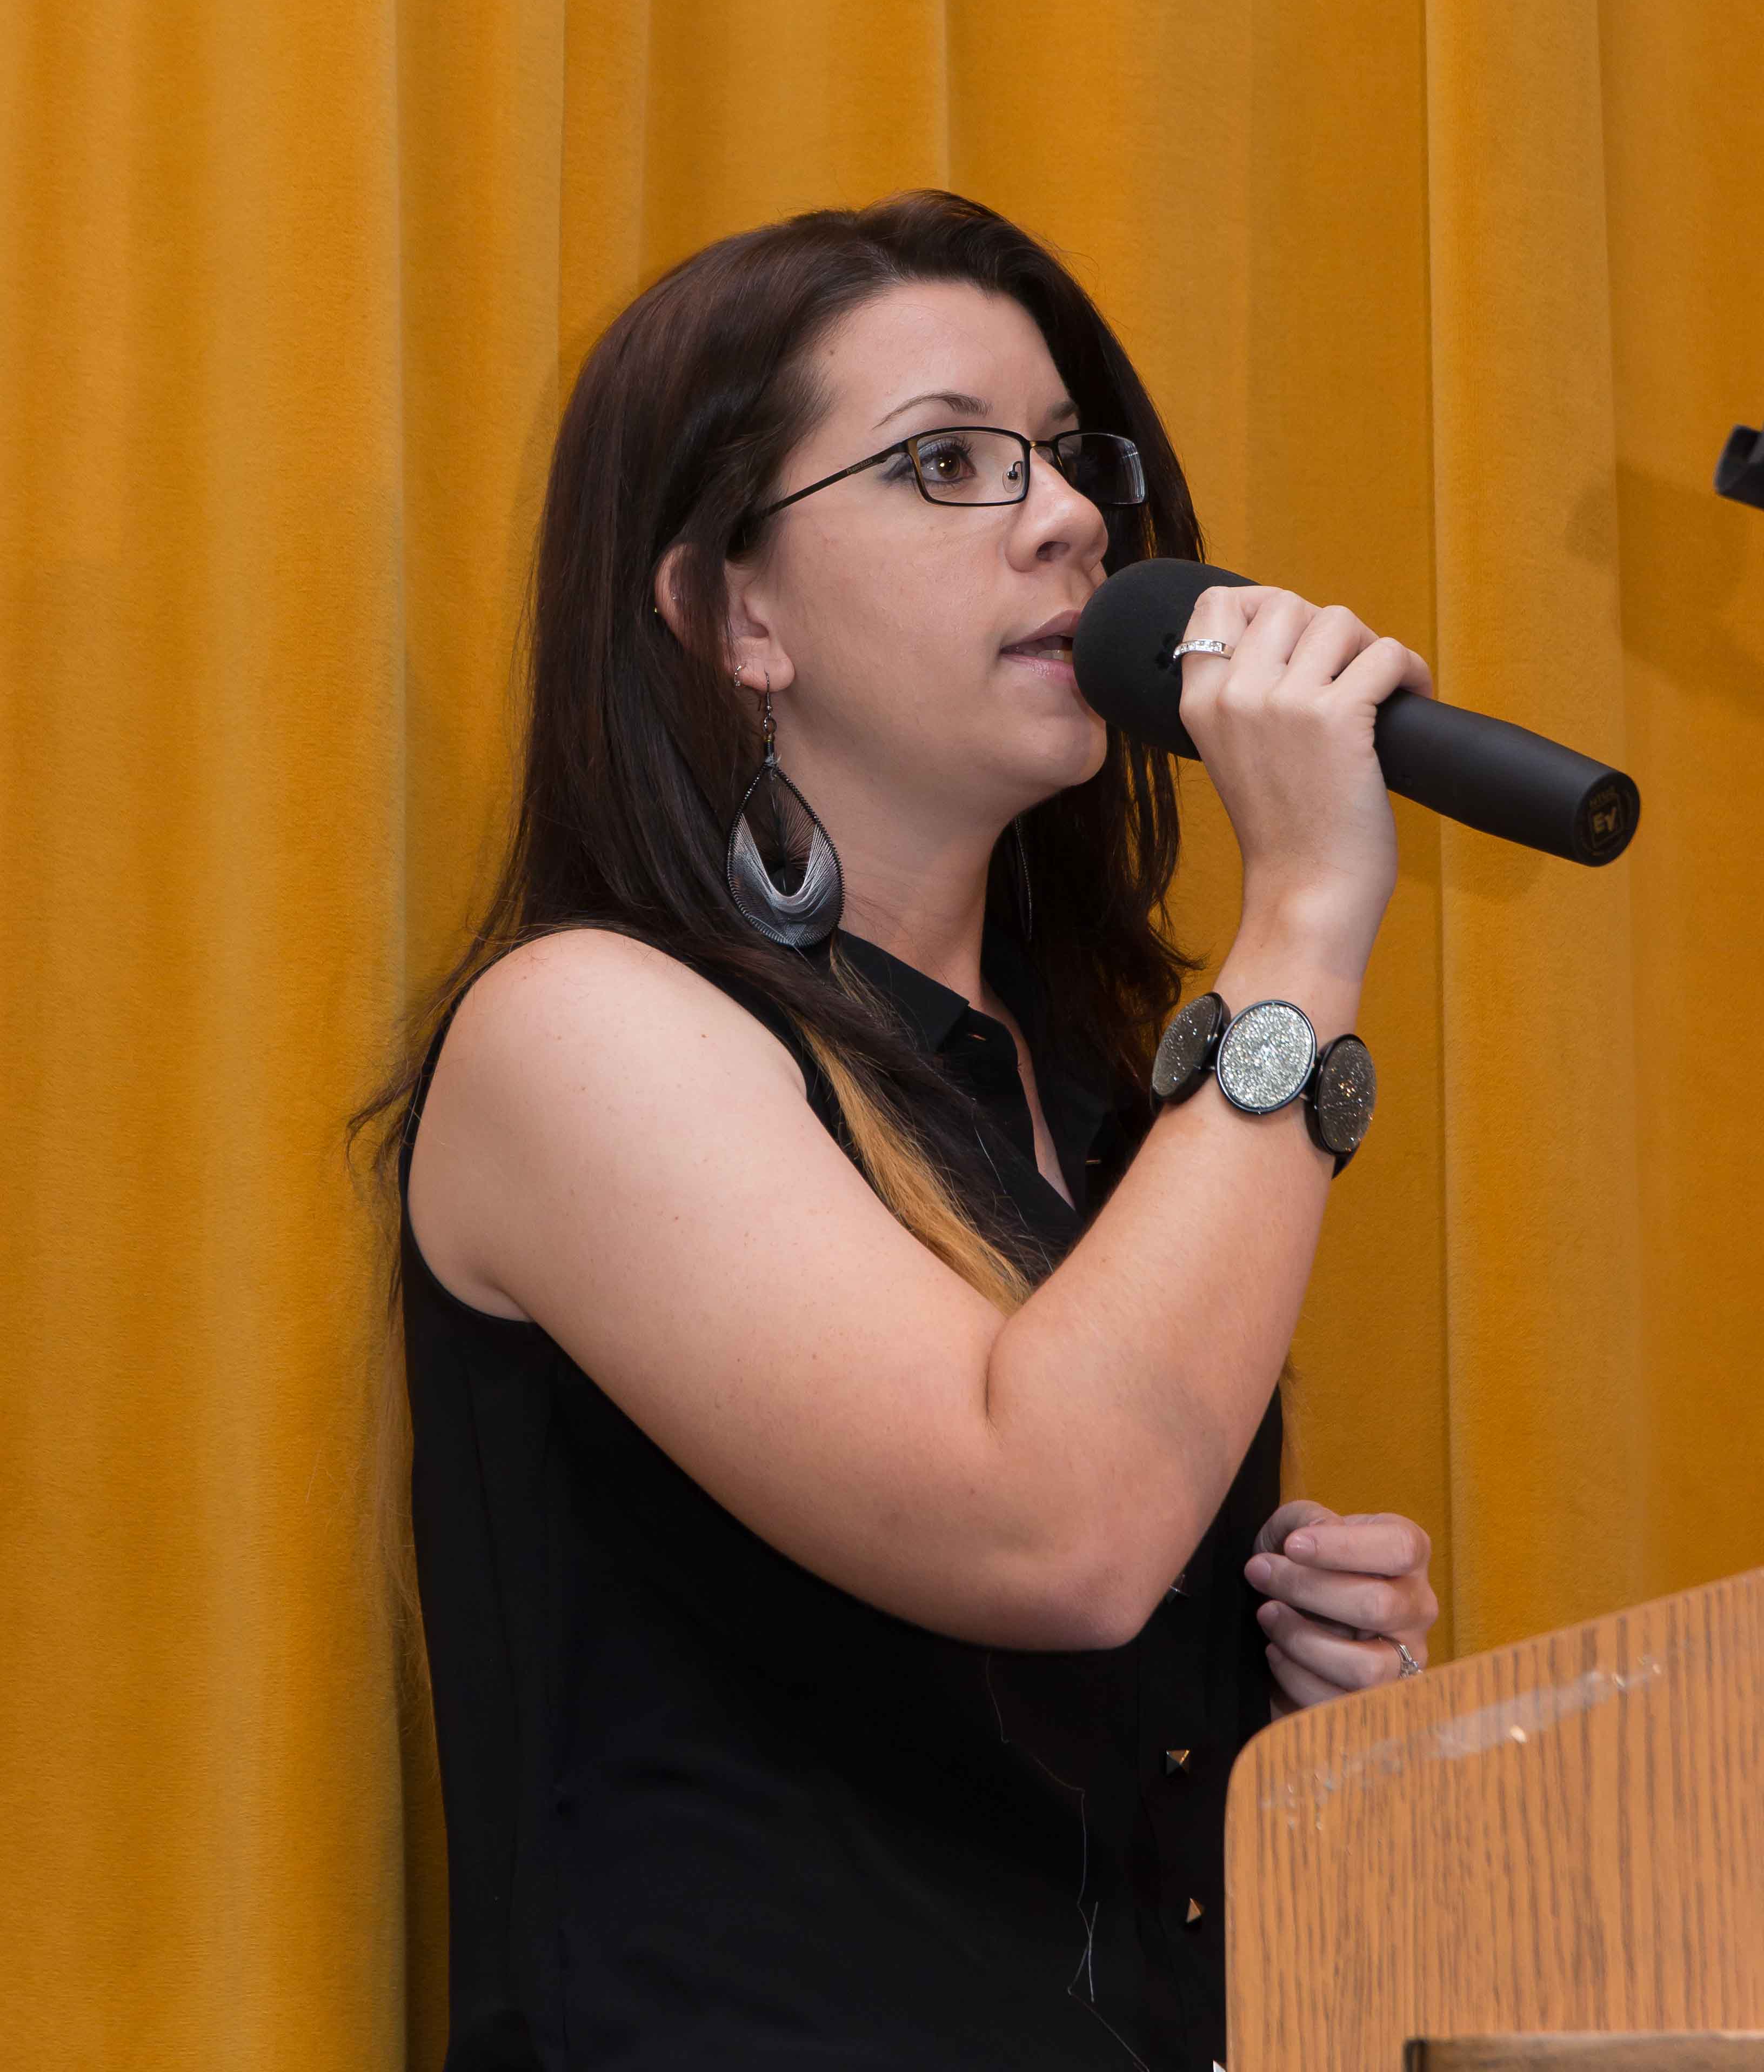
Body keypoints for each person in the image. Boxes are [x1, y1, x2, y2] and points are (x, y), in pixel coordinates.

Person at [352, 186, 1439, 2071]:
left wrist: (1288, 1699)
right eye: (948, 462)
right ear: (734, 613)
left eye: (1071, 457)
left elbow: (1057, 1713)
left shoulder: (1100, 1091)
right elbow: (1057, 1530)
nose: (1071, 517)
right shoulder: (583, 1032)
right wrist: (1308, 919)